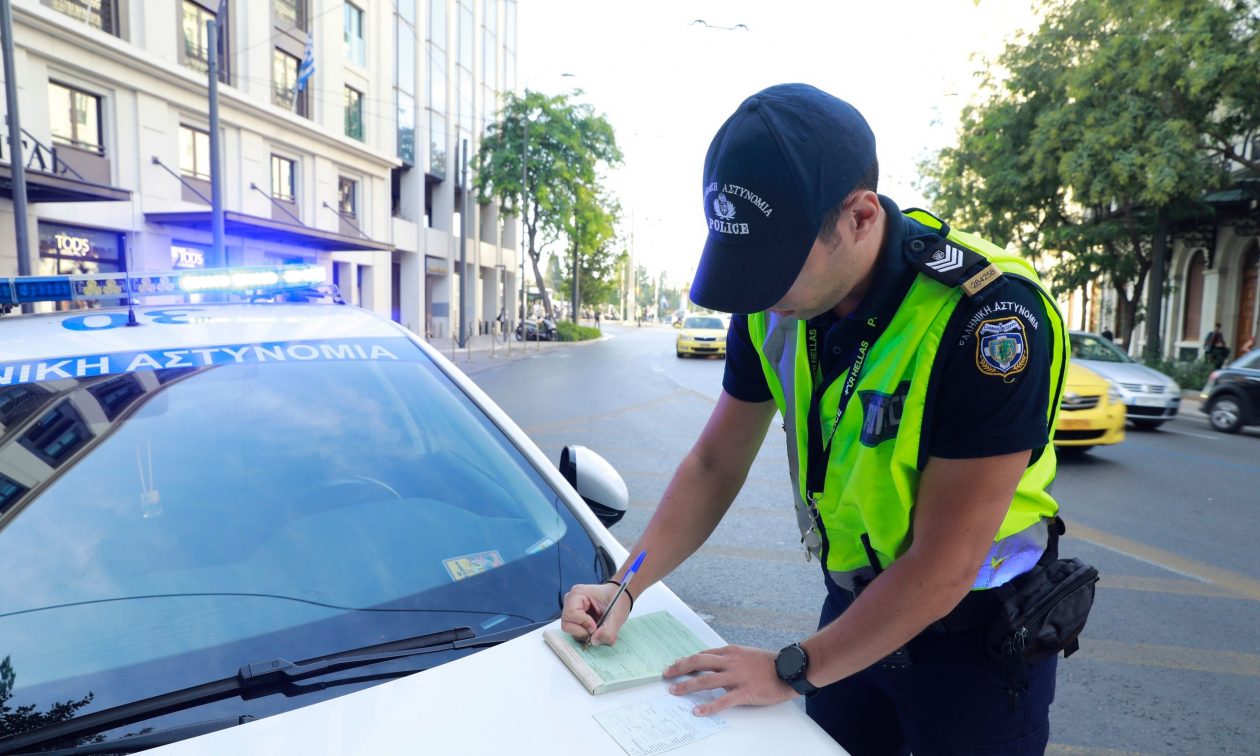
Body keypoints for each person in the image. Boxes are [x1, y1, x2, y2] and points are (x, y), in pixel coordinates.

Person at [560, 84, 1070, 754]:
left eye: (776, 264)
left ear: (860, 217)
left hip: (977, 641)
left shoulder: (989, 319)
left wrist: (788, 670)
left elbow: (946, 564)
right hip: (855, 616)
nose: (762, 292)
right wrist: (625, 586)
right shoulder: (773, 306)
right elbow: (714, 464)